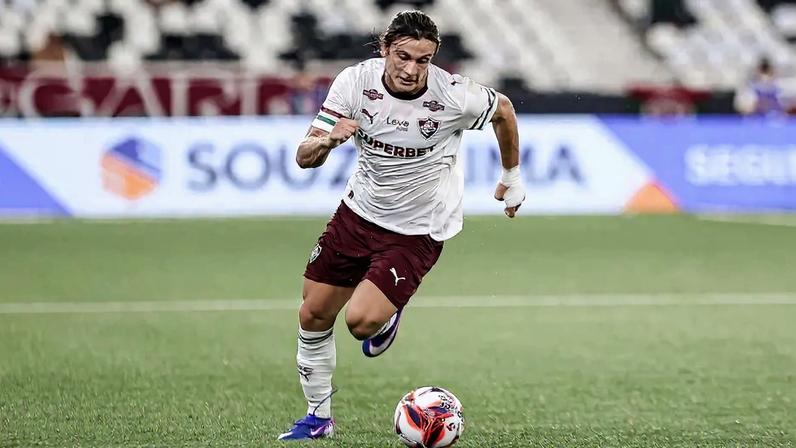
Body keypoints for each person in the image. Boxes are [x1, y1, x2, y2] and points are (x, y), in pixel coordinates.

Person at [277, 10, 526, 441]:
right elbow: (303, 157)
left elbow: (503, 110)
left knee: (360, 323)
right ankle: (318, 418)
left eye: (424, 60)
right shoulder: (355, 83)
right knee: (313, 313)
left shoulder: (453, 95)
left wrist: (512, 177)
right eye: (403, 57)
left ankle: (387, 313)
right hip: (358, 215)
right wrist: (329, 140)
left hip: (418, 229)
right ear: (385, 49)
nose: (412, 70)